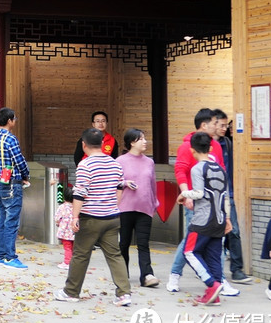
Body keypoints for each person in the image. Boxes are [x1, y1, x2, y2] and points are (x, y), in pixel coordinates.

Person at [54, 128, 133, 306]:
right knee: (115, 255)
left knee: (80, 255)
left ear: (84, 145)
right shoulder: (115, 164)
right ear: (103, 144)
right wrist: (114, 205)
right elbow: (120, 187)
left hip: (90, 218)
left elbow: (80, 193)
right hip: (112, 216)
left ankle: (71, 292)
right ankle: (124, 293)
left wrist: (75, 217)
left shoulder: (85, 165)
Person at [167, 108, 238, 296]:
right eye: (215, 123)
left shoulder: (216, 146)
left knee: (216, 243)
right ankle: (175, 274)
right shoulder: (187, 146)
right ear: (204, 125)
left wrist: (226, 210)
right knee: (189, 244)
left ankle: (218, 280)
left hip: (217, 207)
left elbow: (222, 174)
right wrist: (186, 194)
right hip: (197, 205)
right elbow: (180, 170)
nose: (218, 126)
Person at [179, 131, 231, 305]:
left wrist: (183, 194)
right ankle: (214, 295)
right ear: (210, 148)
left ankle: (211, 284)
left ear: (192, 150)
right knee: (213, 256)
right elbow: (225, 197)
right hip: (220, 220)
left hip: (202, 220)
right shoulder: (221, 170)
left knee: (189, 252)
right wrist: (228, 220)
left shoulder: (197, 168)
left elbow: (199, 193)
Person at [213, 110, 253, 284]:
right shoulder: (204, 145)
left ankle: (237, 269)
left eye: (226, 125)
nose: (224, 128)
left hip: (228, 194)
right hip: (209, 197)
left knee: (234, 231)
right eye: (221, 125)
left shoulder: (228, 144)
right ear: (211, 124)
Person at [117, 128, 159, 287]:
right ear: (132, 142)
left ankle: (147, 275)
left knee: (143, 244)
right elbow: (114, 182)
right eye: (141, 139)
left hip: (145, 208)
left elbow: (152, 184)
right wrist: (125, 183)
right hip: (124, 208)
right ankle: (122, 274)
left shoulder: (150, 162)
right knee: (123, 244)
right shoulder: (120, 161)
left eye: (145, 138)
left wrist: (155, 203)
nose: (145, 141)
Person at [0, 107, 31, 269]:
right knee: (11, 222)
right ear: (9, 121)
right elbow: (19, 161)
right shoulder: (11, 139)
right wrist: (26, 176)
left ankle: (0, 255)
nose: (15, 121)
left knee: (2, 220)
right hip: (13, 185)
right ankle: (9, 257)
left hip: (1, 184)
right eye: (14, 118)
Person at [54, 187, 75, 270]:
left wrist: (59, 223)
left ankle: (67, 263)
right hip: (75, 231)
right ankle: (74, 262)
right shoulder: (76, 207)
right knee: (74, 248)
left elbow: (57, 218)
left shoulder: (62, 207)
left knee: (67, 248)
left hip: (65, 232)